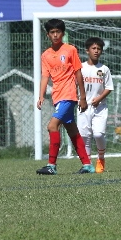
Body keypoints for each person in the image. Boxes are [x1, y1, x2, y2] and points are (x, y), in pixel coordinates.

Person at [36, 19, 95, 175]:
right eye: (52, 32)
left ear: (63, 33)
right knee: (72, 131)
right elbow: (44, 77)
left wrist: (82, 96)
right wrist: (41, 95)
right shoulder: (46, 55)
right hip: (57, 97)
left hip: (68, 95)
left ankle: (51, 165)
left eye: (58, 32)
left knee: (52, 126)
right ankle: (88, 165)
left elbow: (78, 73)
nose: (55, 35)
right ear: (47, 34)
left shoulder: (70, 50)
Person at [78, 37, 114, 173]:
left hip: (100, 107)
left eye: (99, 49)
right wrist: (80, 99)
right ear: (87, 51)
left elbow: (109, 87)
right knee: (85, 136)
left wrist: (99, 98)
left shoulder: (104, 69)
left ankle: (101, 159)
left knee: (98, 134)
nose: (96, 51)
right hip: (83, 106)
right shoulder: (80, 67)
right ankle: (87, 164)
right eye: (94, 48)